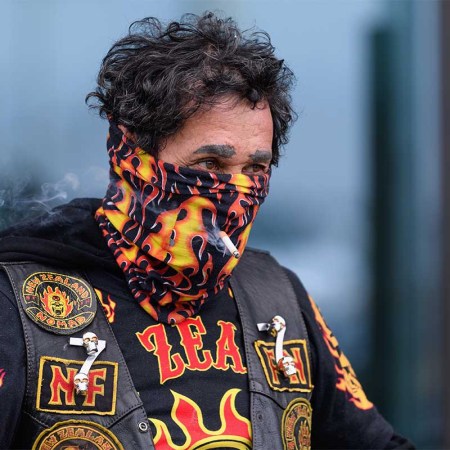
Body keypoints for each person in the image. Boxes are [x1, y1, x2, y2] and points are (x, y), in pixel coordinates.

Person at [0, 12, 414, 450]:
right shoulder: (19, 305)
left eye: (255, 167)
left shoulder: (277, 299)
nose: (236, 191)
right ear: (133, 156)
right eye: (210, 165)